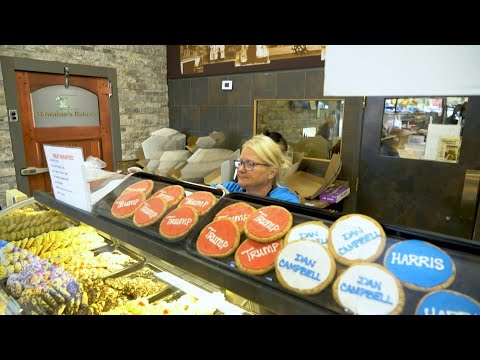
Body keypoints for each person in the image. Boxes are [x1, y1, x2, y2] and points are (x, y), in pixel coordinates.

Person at [214, 134, 300, 204]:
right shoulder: (229, 189)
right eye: (240, 162)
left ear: (271, 172)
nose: (240, 169)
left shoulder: (284, 201)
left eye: (249, 164)